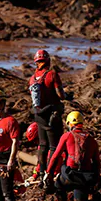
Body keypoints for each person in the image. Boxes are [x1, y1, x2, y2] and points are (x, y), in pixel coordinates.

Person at [45, 111, 101, 201]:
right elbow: (97, 163)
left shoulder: (67, 136)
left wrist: (48, 173)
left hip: (69, 177)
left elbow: (55, 156)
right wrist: (96, 181)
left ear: (70, 124)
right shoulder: (91, 140)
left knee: (58, 187)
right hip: (85, 178)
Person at [28, 49, 68, 184]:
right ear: (48, 61)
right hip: (52, 116)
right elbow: (60, 95)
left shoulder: (32, 79)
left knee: (43, 145)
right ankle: (50, 173)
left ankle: (40, 172)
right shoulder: (52, 75)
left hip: (39, 116)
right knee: (53, 146)